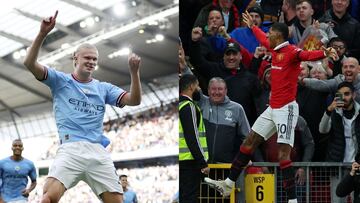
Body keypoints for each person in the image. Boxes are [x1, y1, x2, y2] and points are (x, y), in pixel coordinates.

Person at [204, 11, 337, 203]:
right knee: (248, 143)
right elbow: (261, 39)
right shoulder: (274, 50)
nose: (268, 36)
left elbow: (307, 54)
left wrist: (324, 52)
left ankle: (292, 200)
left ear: (279, 36)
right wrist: (252, 27)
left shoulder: (292, 51)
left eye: (271, 33)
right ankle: (228, 184)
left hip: (287, 109)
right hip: (272, 108)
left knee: (284, 154)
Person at [23, 11, 142, 203]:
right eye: (87, 58)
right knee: (48, 198)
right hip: (71, 149)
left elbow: (134, 101)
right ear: (75, 58)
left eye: (95, 59)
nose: (92, 62)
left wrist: (134, 73)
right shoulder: (60, 81)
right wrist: (42, 33)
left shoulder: (103, 88)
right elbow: (29, 63)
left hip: (97, 151)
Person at [179, 74, 210, 203]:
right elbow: (192, 136)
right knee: (189, 198)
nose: (199, 89)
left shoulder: (179, 105)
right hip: (189, 162)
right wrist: (202, 162)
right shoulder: (188, 106)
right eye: (197, 85)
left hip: (182, 161)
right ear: (191, 86)